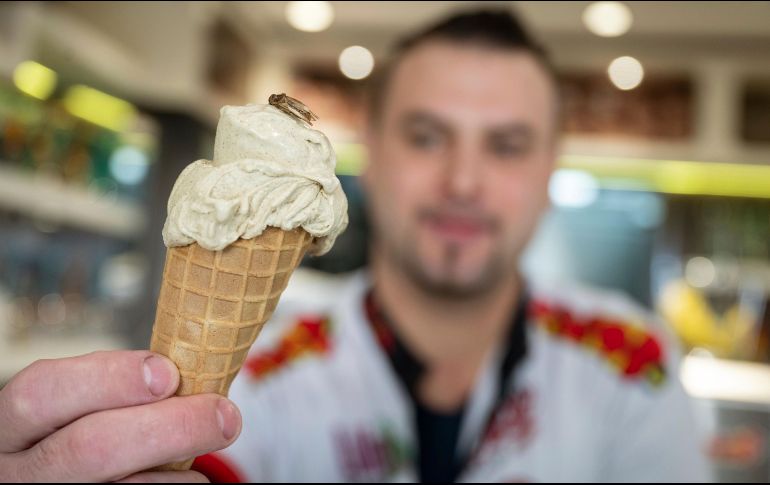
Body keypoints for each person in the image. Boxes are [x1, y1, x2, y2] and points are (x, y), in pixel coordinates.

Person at [0, 9, 710, 483]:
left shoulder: (632, 366)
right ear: (372, 152)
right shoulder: (264, 374)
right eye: (427, 136)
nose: (463, 180)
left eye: (507, 145)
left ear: (550, 166)